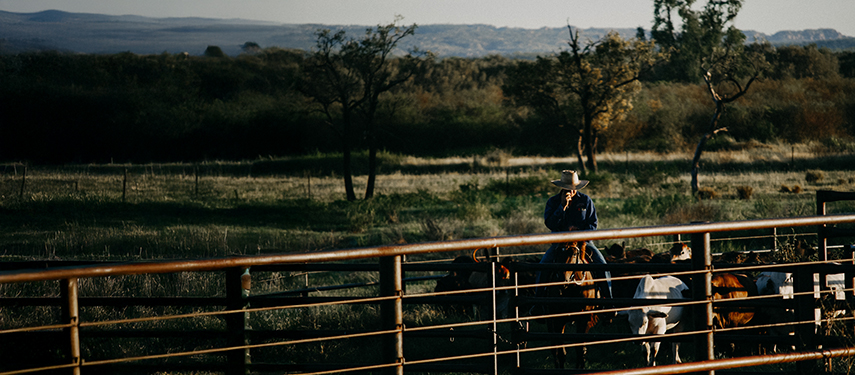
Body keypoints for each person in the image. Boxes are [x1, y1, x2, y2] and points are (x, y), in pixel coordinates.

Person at [535, 170, 611, 299]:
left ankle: (609, 302)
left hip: (583, 243)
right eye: (568, 188)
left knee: (602, 266)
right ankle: (538, 303)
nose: (571, 191)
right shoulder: (553, 202)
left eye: (573, 188)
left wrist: (580, 234)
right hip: (559, 243)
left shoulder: (586, 200)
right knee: (543, 266)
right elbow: (550, 224)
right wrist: (562, 207)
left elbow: (593, 224)